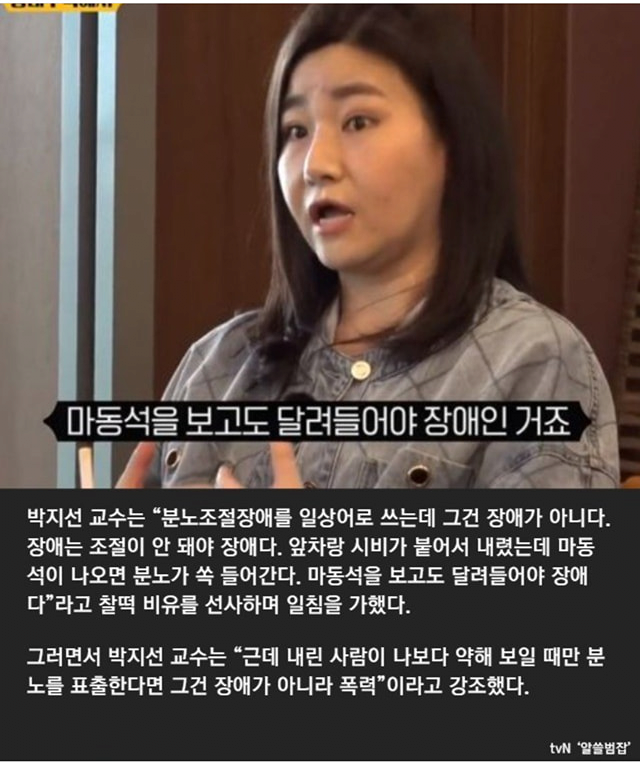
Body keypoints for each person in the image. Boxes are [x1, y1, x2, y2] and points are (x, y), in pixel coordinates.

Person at [119, 4, 619, 490]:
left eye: (357, 121)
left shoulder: (534, 361)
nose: (315, 164)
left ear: (452, 144)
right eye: (296, 130)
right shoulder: (217, 364)